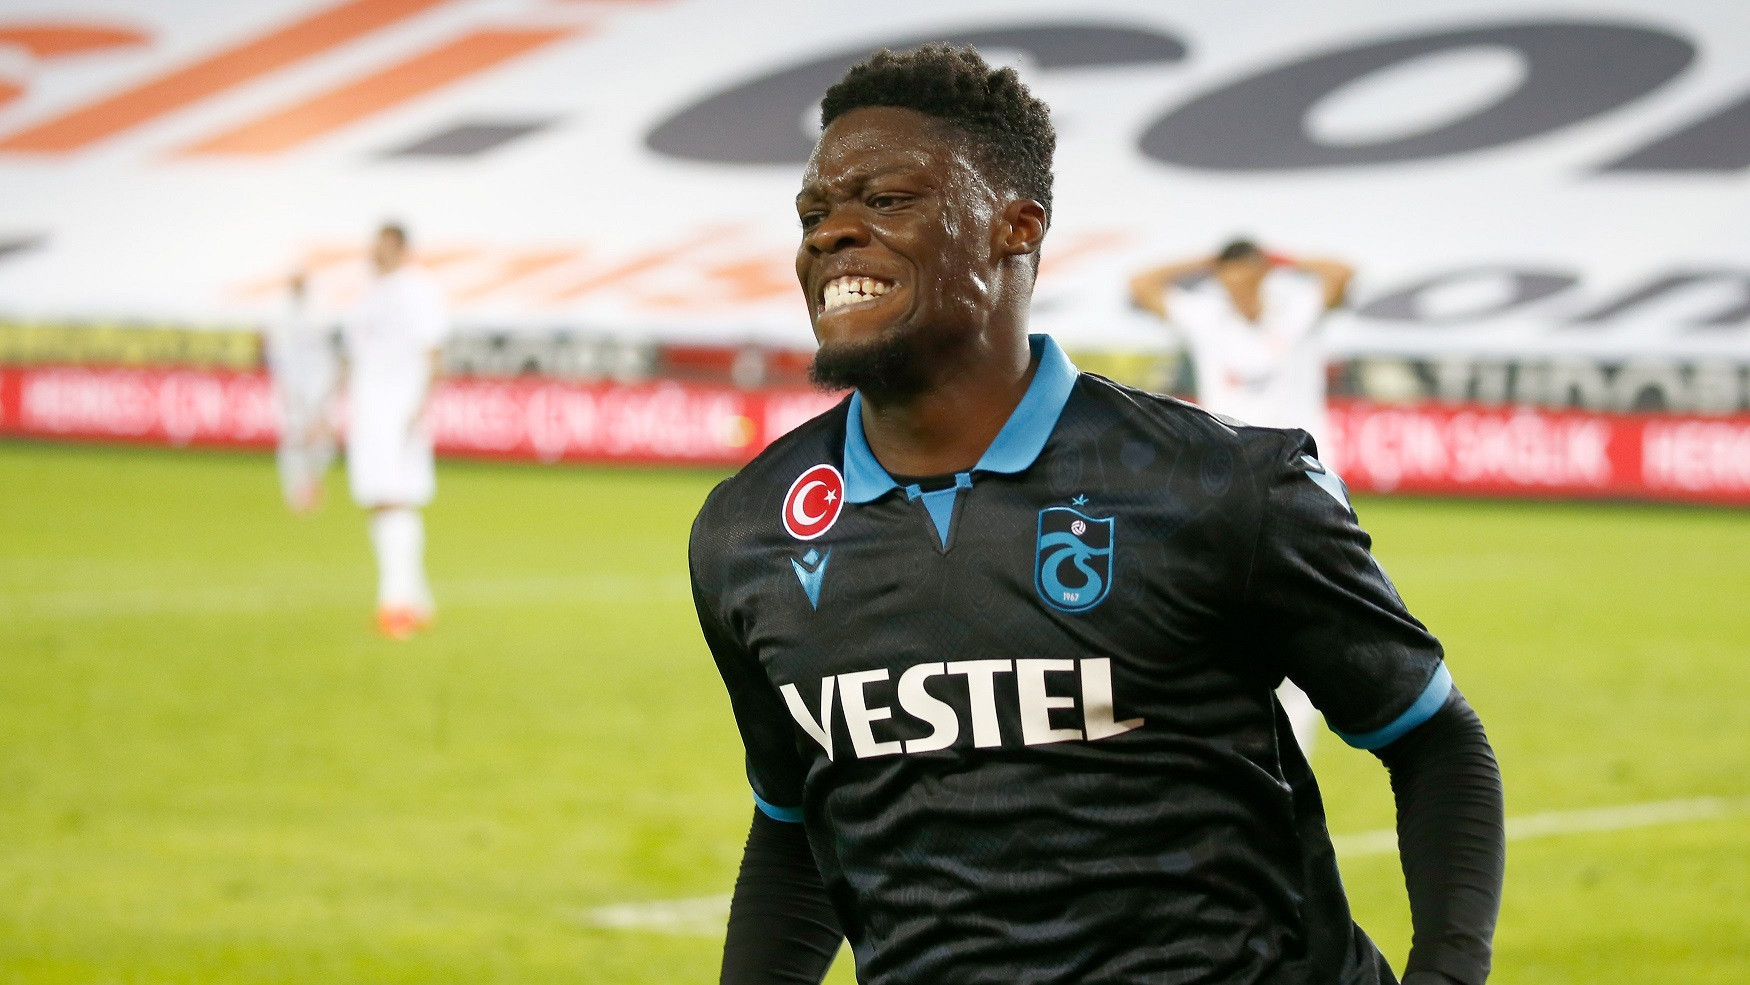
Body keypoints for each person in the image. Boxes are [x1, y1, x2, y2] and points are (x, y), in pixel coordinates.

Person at [689, 44, 1504, 985]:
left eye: (888, 199)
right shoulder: (749, 532)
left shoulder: (1223, 483)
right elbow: (796, 821)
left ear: (1016, 227)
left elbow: (1432, 737)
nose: (833, 233)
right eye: (814, 214)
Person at [1129, 241, 1355, 754]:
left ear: (1262, 271)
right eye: (1228, 275)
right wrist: (1206, 260)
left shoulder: (1296, 312)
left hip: (1305, 483)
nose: (1236, 283)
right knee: (1225, 609)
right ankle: (1227, 734)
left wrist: (1283, 256)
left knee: (1309, 612)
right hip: (1230, 484)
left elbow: (1343, 272)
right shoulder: (1205, 318)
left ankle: (1293, 750)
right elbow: (1141, 283)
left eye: (1245, 272)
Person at [342, 223, 448, 640]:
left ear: (401, 248)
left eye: (383, 245)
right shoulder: (369, 293)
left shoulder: (417, 290)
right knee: (377, 497)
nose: (374, 251)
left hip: (398, 407)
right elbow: (356, 354)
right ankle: (417, 602)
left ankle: (396, 604)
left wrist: (421, 402)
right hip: (368, 408)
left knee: (394, 496)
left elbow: (434, 349)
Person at [265, 271, 338, 513]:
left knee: (321, 440)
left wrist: (325, 396)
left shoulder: (320, 316)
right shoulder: (281, 319)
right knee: (295, 439)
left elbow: (332, 359)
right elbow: (280, 362)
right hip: (293, 388)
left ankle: (313, 485)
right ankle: (296, 491)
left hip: (318, 387)